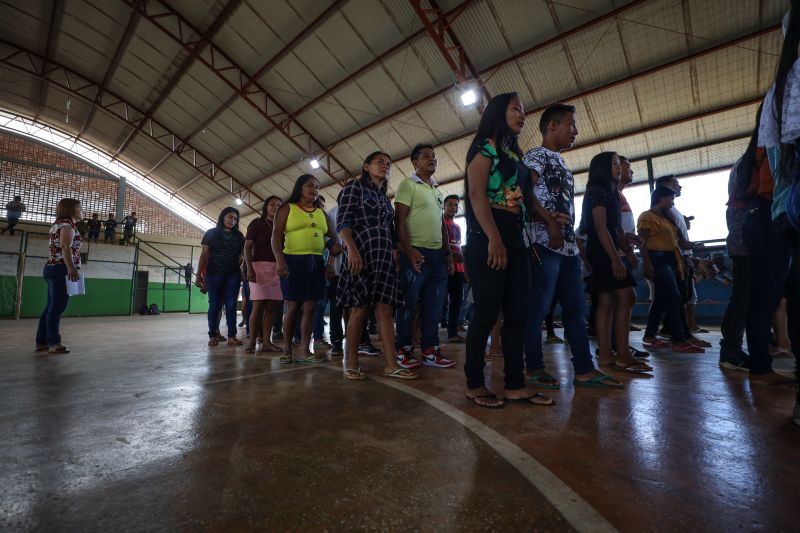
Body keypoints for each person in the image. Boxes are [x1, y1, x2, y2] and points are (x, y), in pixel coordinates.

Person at [462, 92, 552, 408]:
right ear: (499, 112)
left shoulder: (514, 154)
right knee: (487, 312)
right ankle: (474, 382)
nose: (522, 115)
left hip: (516, 237)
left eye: (523, 110)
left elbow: (526, 199)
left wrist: (551, 221)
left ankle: (515, 383)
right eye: (516, 109)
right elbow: (476, 194)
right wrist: (493, 239)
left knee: (518, 313)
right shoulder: (484, 146)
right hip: (489, 234)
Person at [523, 103, 620, 389]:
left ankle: (584, 369)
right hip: (543, 243)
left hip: (567, 249)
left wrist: (575, 243)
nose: (575, 131)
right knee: (538, 309)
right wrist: (549, 224)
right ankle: (535, 367)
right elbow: (523, 194)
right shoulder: (535, 157)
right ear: (552, 125)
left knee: (576, 309)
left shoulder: (564, 164)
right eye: (570, 124)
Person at [336, 151, 417, 380]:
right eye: (380, 162)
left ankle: (391, 365)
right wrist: (351, 249)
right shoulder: (354, 188)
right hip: (361, 255)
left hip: (383, 259)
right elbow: (343, 222)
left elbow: (391, 233)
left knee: (385, 310)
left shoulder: (383, 197)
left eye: (388, 164)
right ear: (365, 166)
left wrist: (405, 252)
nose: (386, 166)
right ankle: (352, 361)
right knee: (359, 308)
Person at [753, 2, 800, 393]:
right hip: (789, 208)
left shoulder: (779, 88)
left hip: (787, 210)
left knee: (790, 296)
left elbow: (777, 161)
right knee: (770, 294)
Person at [581, 152, 646, 374]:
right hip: (602, 250)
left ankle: (607, 355)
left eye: (620, 164)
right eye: (615, 164)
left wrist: (628, 249)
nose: (619, 167)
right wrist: (616, 259)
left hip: (606, 248)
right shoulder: (598, 190)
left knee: (607, 300)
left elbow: (616, 228)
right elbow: (600, 227)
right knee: (627, 296)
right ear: (602, 167)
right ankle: (623, 355)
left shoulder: (611, 192)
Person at [393, 144, 456, 369]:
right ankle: (403, 349)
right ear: (414, 162)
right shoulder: (408, 185)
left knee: (435, 305)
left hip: (438, 256)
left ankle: (430, 350)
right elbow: (399, 220)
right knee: (408, 305)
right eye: (426, 156)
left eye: (434, 156)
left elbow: (441, 224)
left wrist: (447, 253)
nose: (432, 159)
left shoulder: (437, 191)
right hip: (415, 253)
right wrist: (408, 251)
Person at [272, 174, 341, 364]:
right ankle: (287, 347)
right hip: (292, 262)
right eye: (310, 185)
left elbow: (333, 241)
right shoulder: (288, 208)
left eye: (317, 187)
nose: (314, 189)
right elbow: (276, 236)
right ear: (299, 188)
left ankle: (304, 349)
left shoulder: (321, 213)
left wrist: (329, 265)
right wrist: (280, 261)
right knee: (293, 306)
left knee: (310, 307)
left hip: (316, 262)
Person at [637, 187, 704, 353]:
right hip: (658, 260)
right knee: (674, 297)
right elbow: (642, 243)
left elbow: (677, 242)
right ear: (661, 198)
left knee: (660, 299)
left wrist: (691, 245)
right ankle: (678, 339)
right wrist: (647, 263)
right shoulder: (647, 216)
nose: (672, 202)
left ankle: (650, 335)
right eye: (670, 199)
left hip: (672, 260)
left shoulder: (667, 219)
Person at [35, 198, 83, 354]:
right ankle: (54, 343)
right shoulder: (66, 225)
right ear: (71, 210)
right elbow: (65, 246)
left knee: (51, 307)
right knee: (57, 307)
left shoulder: (60, 224)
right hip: (60, 269)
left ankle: (41, 342)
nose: (82, 211)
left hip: (53, 268)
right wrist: (71, 267)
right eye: (79, 208)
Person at [197, 207, 245, 346]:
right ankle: (212, 336)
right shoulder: (211, 234)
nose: (232, 220)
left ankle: (232, 336)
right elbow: (204, 255)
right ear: (222, 217)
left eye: (235, 219)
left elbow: (241, 256)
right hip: (213, 274)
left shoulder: (239, 236)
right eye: (230, 217)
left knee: (231, 305)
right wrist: (198, 275)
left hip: (233, 275)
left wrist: (239, 266)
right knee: (214, 305)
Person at [243, 195, 283, 353]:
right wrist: (249, 268)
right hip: (258, 267)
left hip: (277, 268)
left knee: (271, 308)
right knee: (258, 305)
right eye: (272, 204)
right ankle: (252, 342)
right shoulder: (256, 223)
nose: (275, 207)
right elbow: (247, 248)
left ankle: (267, 342)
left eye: (279, 205)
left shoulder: (283, 225)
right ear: (266, 206)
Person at [443, 195, 466, 343]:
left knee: (457, 301)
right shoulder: (439, 222)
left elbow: (458, 247)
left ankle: (452, 333)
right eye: (450, 204)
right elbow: (441, 245)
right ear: (444, 206)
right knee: (438, 301)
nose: (453, 207)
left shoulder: (457, 226)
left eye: (456, 205)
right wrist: (452, 256)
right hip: (444, 267)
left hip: (459, 269)